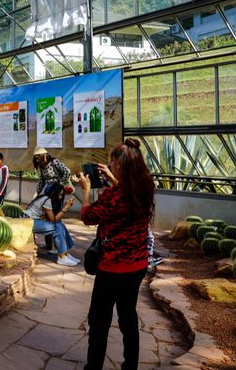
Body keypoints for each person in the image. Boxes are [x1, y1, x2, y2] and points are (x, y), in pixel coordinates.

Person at [77, 138, 155, 370]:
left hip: (112, 269)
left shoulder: (112, 198)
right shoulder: (146, 186)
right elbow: (126, 195)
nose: (110, 167)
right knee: (128, 318)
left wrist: (87, 190)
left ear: (119, 166)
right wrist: (112, 180)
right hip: (138, 266)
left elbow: (88, 216)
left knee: (99, 322)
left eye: (112, 164)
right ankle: (130, 366)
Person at [24, 183, 80, 266]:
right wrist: (66, 208)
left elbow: (55, 218)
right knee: (56, 226)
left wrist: (64, 207)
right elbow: (53, 219)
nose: (61, 197)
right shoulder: (47, 200)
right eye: (60, 195)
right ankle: (62, 256)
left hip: (33, 221)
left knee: (60, 224)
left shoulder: (47, 199)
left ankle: (65, 254)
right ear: (55, 193)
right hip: (28, 222)